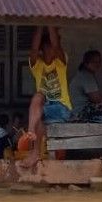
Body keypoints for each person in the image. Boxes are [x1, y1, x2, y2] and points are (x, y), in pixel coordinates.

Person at [21, 26, 72, 168]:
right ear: (43, 50)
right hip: (43, 108)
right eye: (50, 48)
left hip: (61, 107)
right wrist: (38, 25)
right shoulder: (37, 65)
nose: (54, 51)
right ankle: (31, 134)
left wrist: (48, 23)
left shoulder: (61, 63)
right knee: (38, 97)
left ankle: (33, 144)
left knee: (39, 107)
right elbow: (33, 49)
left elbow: (57, 45)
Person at [69, 50, 102, 120]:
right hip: (80, 112)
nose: (98, 64)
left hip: (78, 111)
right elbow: (96, 99)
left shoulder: (83, 74)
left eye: (99, 61)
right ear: (86, 64)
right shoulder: (86, 76)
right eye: (94, 62)